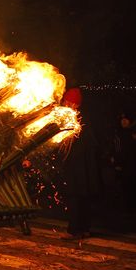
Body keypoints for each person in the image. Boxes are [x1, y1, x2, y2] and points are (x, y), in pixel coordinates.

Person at [59, 87, 102, 240]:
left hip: (78, 166)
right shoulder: (84, 118)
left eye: (67, 101)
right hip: (86, 166)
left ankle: (74, 230)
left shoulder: (75, 120)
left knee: (75, 196)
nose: (64, 103)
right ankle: (84, 229)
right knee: (83, 197)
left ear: (74, 104)